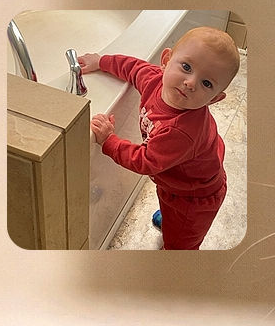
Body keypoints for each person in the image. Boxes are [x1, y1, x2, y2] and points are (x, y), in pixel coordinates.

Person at [80, 27, 240, 250]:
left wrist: (108, 140)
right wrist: (101, 61)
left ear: (215, 99)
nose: (191, 82)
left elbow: (145, 161)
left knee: (180, 244)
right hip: (181, 178)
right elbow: (133, 68)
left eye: (207, 84)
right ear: (166, 60)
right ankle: (172, 219)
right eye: (186, 67)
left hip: (192, 199)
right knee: (169, 209)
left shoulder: (181, 131)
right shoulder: (155, 79)